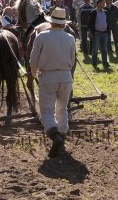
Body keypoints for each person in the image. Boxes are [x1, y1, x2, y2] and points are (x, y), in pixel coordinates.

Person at [29, 8, 75, 158]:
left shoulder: (41, 36)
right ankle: (62, 137)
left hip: (48, 77)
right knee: (62, 109)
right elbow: (73, 60)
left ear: (51, 22)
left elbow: (33, 59)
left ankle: (55, 138)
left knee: (47, 111)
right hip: (66, 77)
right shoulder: (70, 38)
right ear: (63, 24)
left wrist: (34, 73)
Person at [89, 0, 110, 69]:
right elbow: (90, 24)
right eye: (102, 3)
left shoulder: (106, 12)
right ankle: (94, 63)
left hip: (104, 33)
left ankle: (105, 63)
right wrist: (92, 32)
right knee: (95, 49)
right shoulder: (93, 13)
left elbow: (108, 22)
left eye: (104, 3)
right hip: (97, 33)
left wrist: (108, 31)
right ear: (98, 4)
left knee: (104, 49)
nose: (104, 4)